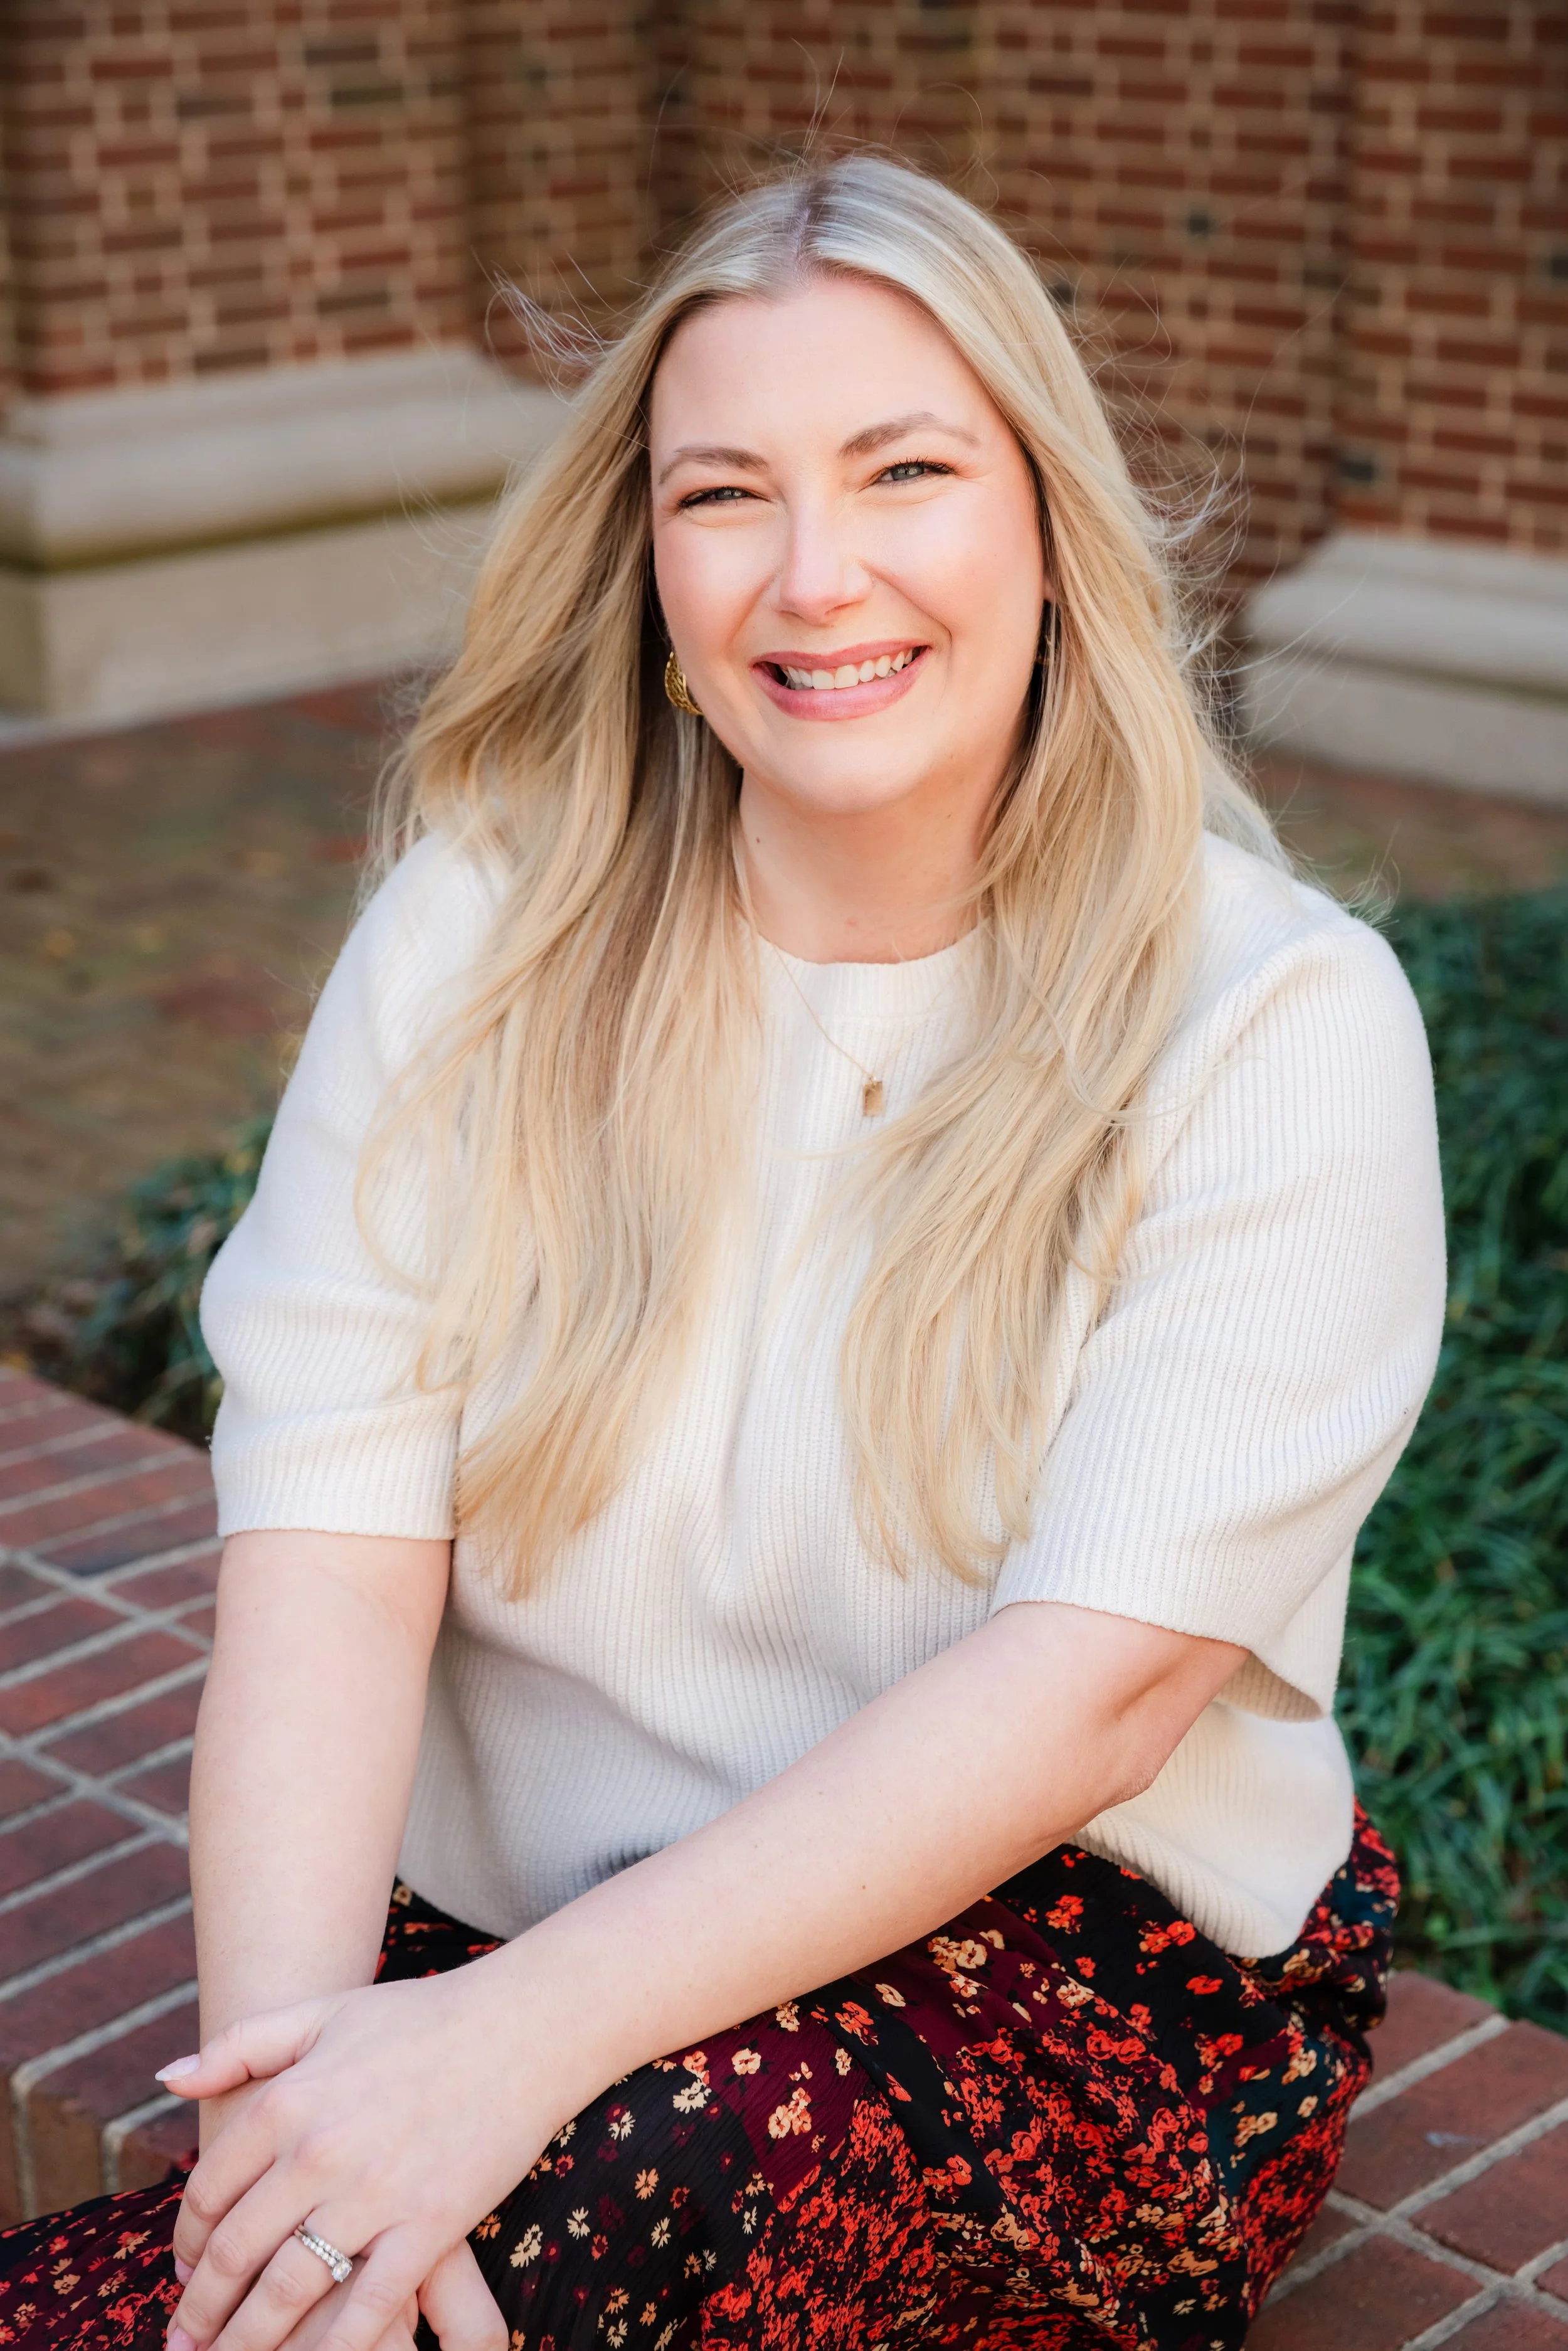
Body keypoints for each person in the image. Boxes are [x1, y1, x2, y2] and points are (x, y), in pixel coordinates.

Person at [0, 154, 1444, 2351]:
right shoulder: (483, 941)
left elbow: (1099, 1687)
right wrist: (298, 2111)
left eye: (904, 469)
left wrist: (498, 2058)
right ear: (647, 562)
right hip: (487, 1938)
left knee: (576, 2215)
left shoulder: (1268, 1018)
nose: (812, 571)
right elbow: (329, 1546)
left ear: (1046, 527)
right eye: (721, 494)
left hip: (1062, 1984)